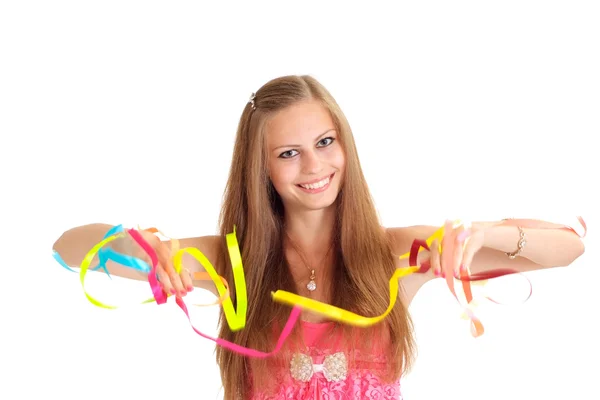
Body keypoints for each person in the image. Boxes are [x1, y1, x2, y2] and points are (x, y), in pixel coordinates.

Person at [52, 75, 586, 399]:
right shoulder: (229, 261)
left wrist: (487, 232)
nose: (314, 166)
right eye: (288, 153)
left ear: (344, 145)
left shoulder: (400, 253)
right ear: (260, 168)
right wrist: (140, 245)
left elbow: (569, 248)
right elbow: (67, 248)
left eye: (325, 142)